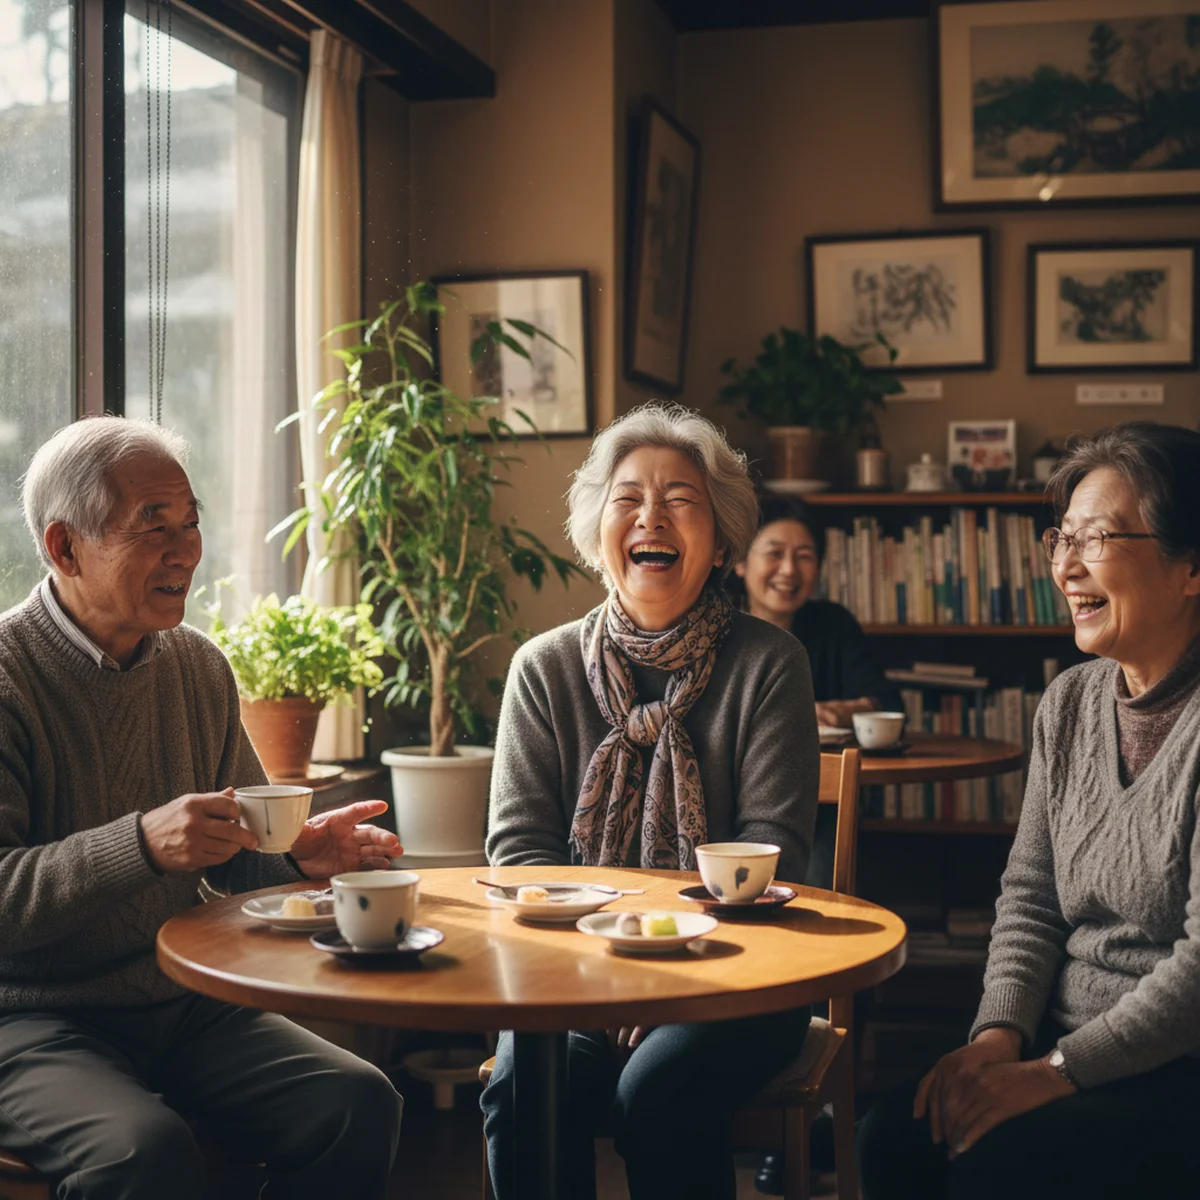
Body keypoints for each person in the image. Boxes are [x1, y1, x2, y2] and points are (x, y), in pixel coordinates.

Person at [0, 417, 405, 1200]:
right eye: (153, 527)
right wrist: (141, 845)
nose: (185, 550)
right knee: (143, 1155)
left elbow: (239, 848)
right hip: (30, 1023)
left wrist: (297, 853)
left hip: (183, 1003)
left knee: (356, 1102)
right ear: (63, 548)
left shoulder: (197, 666)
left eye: (191, 523)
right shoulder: (9, 681)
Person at [480, 403, 819, 1200]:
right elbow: (519, 855)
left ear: (723, 541)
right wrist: (609, 966)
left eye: (680, 500)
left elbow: (771, 852)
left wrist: (663, 967)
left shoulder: (771, 664)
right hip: (571, 972)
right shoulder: (543, 668)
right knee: (528, 1089)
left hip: (738, 974)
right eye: (627, 498)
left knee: (659, 1092)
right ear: (599, 532)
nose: (650, 517)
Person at [855, 423, 1200, 1199]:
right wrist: (998, 1038)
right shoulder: (1069, 704)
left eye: (1098, 538)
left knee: (995, 1167)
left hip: (1175, 1066)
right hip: (1059, 1038)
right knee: (892, 1138)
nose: (1067, 566)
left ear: (1192, 567)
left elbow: (1198, 974)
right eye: (1061, 538)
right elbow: (1031, 900)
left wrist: (1054, 1074)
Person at [732, 494, 901, 893]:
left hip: (820, 803)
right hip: (729, 796)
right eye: (774, 553)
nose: (789, 570)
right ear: (740, 561)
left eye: (805, 556)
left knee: (822, 881)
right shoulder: (719, 628)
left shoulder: (832, 624)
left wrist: (815, 712)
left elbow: (886, 705)